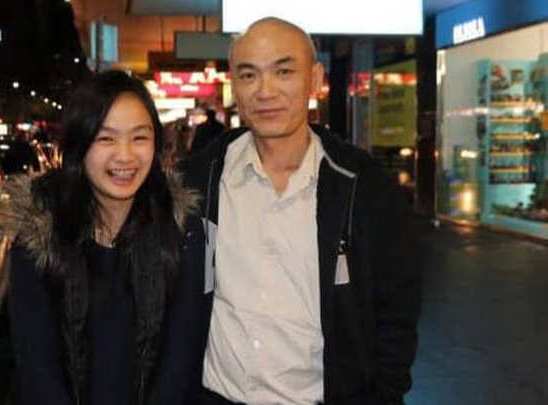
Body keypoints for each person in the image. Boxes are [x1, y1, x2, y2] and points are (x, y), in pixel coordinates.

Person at [178, 17, 421, 405]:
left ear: (316, 79)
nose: (265, 91)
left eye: (284, 71)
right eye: (248, 75)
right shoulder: (198, 180)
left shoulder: (364, 188)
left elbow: (397, 315)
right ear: (234, 87)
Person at [5, 70, 204, 405]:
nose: (125, 155)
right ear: (79, 145)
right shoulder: (39, 234)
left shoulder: (183, 230)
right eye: (105, 139)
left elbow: (180, 362)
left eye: (139, 137)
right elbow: (37, 371)